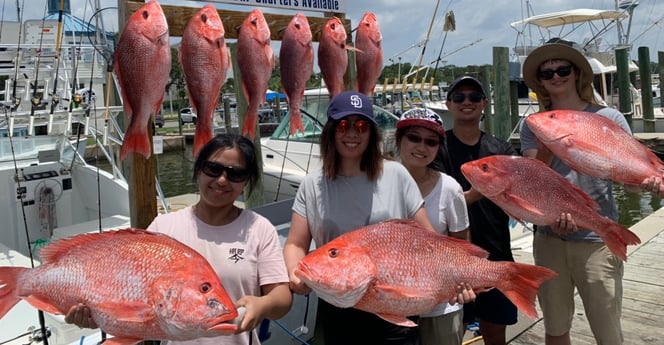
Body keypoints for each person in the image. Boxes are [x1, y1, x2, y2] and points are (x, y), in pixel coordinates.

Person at [283, 90, 474, 345]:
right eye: (343, 125)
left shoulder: (397, 175)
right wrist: (295, 273)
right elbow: (296, 243)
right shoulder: (312, 184)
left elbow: (431, 242)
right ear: (330, 131)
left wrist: (459, 277)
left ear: (372, 133)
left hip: (396, 304)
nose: (352, 133)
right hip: (338, 307)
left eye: (361, 125)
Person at [65, 133, 293, 345]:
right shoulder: (164, 227)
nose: (222, 180)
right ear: (199, 170)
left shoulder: (258, 228)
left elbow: (282, 296)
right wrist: (97, 314)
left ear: (247, 181)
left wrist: (263, 305)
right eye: (213, 169)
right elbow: (127, 293)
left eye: (236, 174)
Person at [519, 39, 664, 345]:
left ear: (576, 73)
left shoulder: (610, 118)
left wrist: (647, 183)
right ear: (540, 82)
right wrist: (548, 142)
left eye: (562, 69)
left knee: (607, 330)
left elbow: (626, 180)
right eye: (547, 73)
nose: (556, 76)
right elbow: (533, 180)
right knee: (555, 328)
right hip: (548, 238)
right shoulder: (533, 124)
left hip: (596, 240)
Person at [444, 76, 519, 345]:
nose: (467, 102)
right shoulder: (436, 147)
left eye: (474, 97)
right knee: (453, 329)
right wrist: (479, 192)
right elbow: (436, 206)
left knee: (496, 330)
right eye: (459, 97)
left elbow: (520, 195)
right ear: (448, 104)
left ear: (484, 104)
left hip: (495, 251)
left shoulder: (502, 150)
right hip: (450, 259)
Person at [395, 107, 471, 345]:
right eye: (414, 138)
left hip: (442, 306)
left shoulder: (450, 189)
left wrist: (464, 282)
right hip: (393, 306)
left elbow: (461, 245)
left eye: (431, 142)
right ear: (398, 140)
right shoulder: (377, 182)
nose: (421, 147)